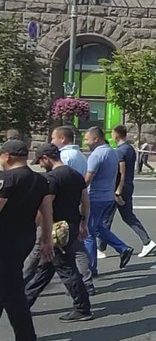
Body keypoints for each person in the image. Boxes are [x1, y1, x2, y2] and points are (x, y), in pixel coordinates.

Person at [24, 143, 93, 322]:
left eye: (40, 161)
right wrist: (83, 223)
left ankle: (83, 308)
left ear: (46, 158)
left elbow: (45, 208)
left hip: (56, 229)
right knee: (45, 269)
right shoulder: (75, 175)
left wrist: (36, 228)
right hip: (71, 225)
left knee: (66, 268)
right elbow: (85, 201)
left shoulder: (52, 178)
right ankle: (24, 303)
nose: (40, 165)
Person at [0, 140, 53, 341]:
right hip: (25, 238)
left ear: (7, 156)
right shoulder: (39, 180)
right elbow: (47, 211)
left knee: (12, 292)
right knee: (7, 288)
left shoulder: (7, 178)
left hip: (4, 240)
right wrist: (47, 239)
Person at [46, 125, 95, 295]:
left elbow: (61, 181)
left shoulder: (65, 157)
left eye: (53, 138)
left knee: (55, 252)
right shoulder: (80, 155)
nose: (52, 141)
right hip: (76, 205)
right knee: (77, 247)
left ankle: (77, 285)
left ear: (62, 139)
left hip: (62, 211)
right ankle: (86, 282)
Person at [98, 125, 156, 259]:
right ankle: (147, 241)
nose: (111, 135)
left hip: (119, 187)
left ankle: (100, 248)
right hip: (128, 186)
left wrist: (117, 191)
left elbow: (121, 172)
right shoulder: (130, 149)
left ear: (116, 135)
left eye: (112, 133)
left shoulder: (120, 151)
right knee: (128, 216)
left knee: (106, 219)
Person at [82, 127, 133, 275]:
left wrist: (76, 191)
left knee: (89, 232)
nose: (85, 142)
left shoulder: (96, 155)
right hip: (108, 197)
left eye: (87, 139)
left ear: (96, 138)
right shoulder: (112, 152)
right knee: (98, 227)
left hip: (95, 198)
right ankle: (122, 248)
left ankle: (91, 268)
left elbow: (87, 179)